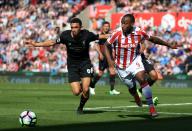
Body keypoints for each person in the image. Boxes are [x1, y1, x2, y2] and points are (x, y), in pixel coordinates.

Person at [26, 17, 107, 114]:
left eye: (76, 27)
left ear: (81, 27)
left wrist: (117, 34)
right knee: (76, 92)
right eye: (72, 27)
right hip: (72, 66)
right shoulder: (65, 35)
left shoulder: (87, 35)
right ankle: (84, 84)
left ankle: (80, 107)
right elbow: (52, 42)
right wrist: (36, 44)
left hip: (85, 63)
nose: (74, 29)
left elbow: (100, 36)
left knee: (85, 90)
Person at [104, 14, 180, 117]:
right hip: (121, 66)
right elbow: (105, 46)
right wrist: (110, 61)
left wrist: (169, 45)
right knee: (131, 87)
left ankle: (152, 108)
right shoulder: (116, 33)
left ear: (132, 24)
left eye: (126, 23)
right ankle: (136, 95)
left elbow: (153, 39)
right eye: (122, 23)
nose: (123, 25)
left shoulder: (139, 32)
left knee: (142, 78)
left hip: (135, 60)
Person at [89, 21, 120, 95]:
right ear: (102, 27)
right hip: (103, 56)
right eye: (105, 26)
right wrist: (100, 54)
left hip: (110, 56)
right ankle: (92, 86)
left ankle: (112, 90)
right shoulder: (100, 35)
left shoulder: (111, 35)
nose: (106, 27)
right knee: (100, 73)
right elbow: (96, 45)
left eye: (108, 26)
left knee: (113, 72)